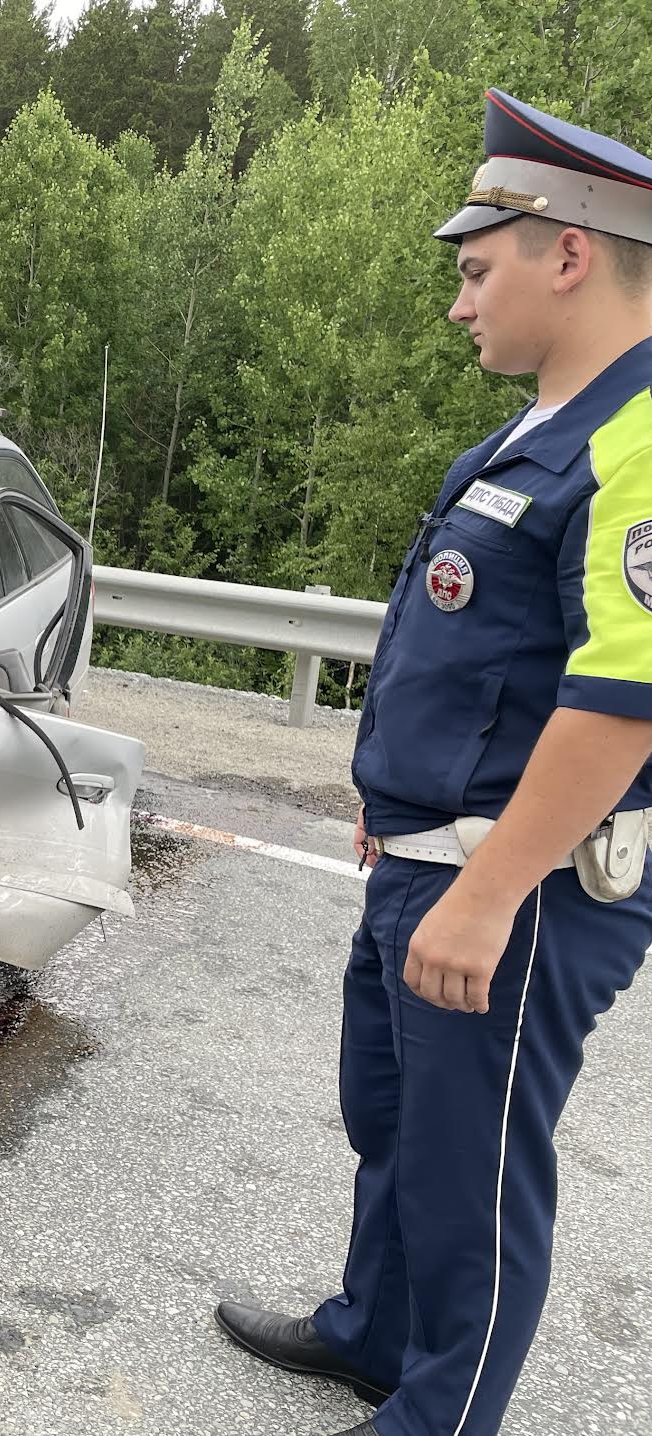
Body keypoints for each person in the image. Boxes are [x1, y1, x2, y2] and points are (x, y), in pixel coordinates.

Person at [214, 89, 652, 1436]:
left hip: (516, 891)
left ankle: (439, 1415)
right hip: (432, 856)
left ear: (567, 252)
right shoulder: (541, 429)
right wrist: (397, 813)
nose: (461, 303)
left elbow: (627, 698)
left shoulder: (640, 438)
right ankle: (376, 1335)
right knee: (395, 1122)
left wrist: (484, 888)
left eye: (478, 269)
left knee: (473, 1173)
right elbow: (486, 661)